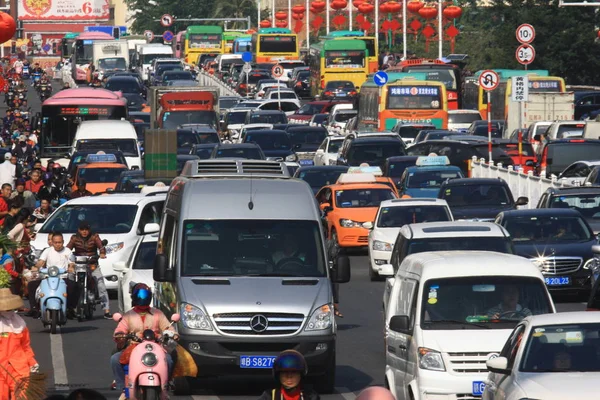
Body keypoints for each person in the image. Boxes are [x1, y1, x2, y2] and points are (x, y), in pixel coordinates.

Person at [111, 283, 176, 398]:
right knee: (115, 359)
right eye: (140, 296)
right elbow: (120, 329)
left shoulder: (157, 313)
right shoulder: (128, 315)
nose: (142, 298)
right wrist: (120, 335)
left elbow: (168, 327)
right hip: (134, 347)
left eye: (145, 295)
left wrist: (173, 334)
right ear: (134, 297)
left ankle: (167, 383)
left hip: (156, 347)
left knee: (169, 360)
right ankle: (123, 387)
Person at [28, 232, 79, 319]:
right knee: (31, 285)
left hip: (62, 278)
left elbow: (72, 263)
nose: (58, 244)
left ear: (63, 242)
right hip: (48, 278)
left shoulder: (68, 251)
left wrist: (71, 268)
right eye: (55, 242)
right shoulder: (47, 251)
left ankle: (70, 308)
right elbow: (41, 261)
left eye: (60, 242)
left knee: (75, 286)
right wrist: (36, 267)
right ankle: (34, 309)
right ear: (52, 242)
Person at [0, 288, 39, 399]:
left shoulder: (20, 323)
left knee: (23, 395)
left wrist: (32, 363)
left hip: (19, 367)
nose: (8, 311)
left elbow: (25, 346)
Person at [66, 221, 110, 319]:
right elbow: (68, 249)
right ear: (79, 230)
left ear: (89, 230)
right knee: (69, 280)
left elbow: (101, 247)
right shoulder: (74, 238)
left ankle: (106, 310)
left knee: (101, 285)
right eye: (82, 229)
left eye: (86, 229)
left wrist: (102, 253)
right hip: (78, 265)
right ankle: (69, 308)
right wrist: (65, 255)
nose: (84, 231)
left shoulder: (95, 236)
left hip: (92, 265)